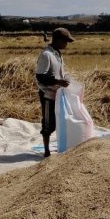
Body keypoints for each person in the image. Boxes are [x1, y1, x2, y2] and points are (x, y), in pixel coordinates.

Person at [35, 27, 73, 157]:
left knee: (59, 121)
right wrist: (58, 82)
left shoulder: (57, 53)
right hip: (48, 95)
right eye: (65, 41)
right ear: (57, 40)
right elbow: (40, 76)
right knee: (48, 123)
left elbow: (59, 72)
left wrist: (65, 79)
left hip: (58, 94)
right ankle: (46, 151)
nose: (66, 44)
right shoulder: (46, 55)